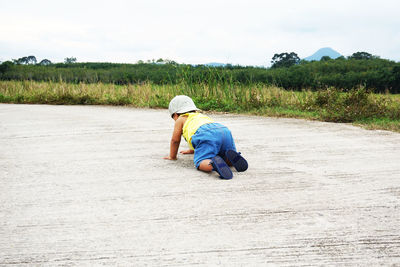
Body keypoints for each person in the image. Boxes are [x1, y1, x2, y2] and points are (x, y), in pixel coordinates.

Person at [163, 95, 248, 179]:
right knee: (223, 154)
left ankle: (213, 164)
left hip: (205, 134)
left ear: (175, 115)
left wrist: (172, 156)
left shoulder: (180, 119)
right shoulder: (200, 116)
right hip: (223, 130)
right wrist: (192, 150)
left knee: (200, 161)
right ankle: (230, 159)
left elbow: (175, 140)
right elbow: (198, 131)